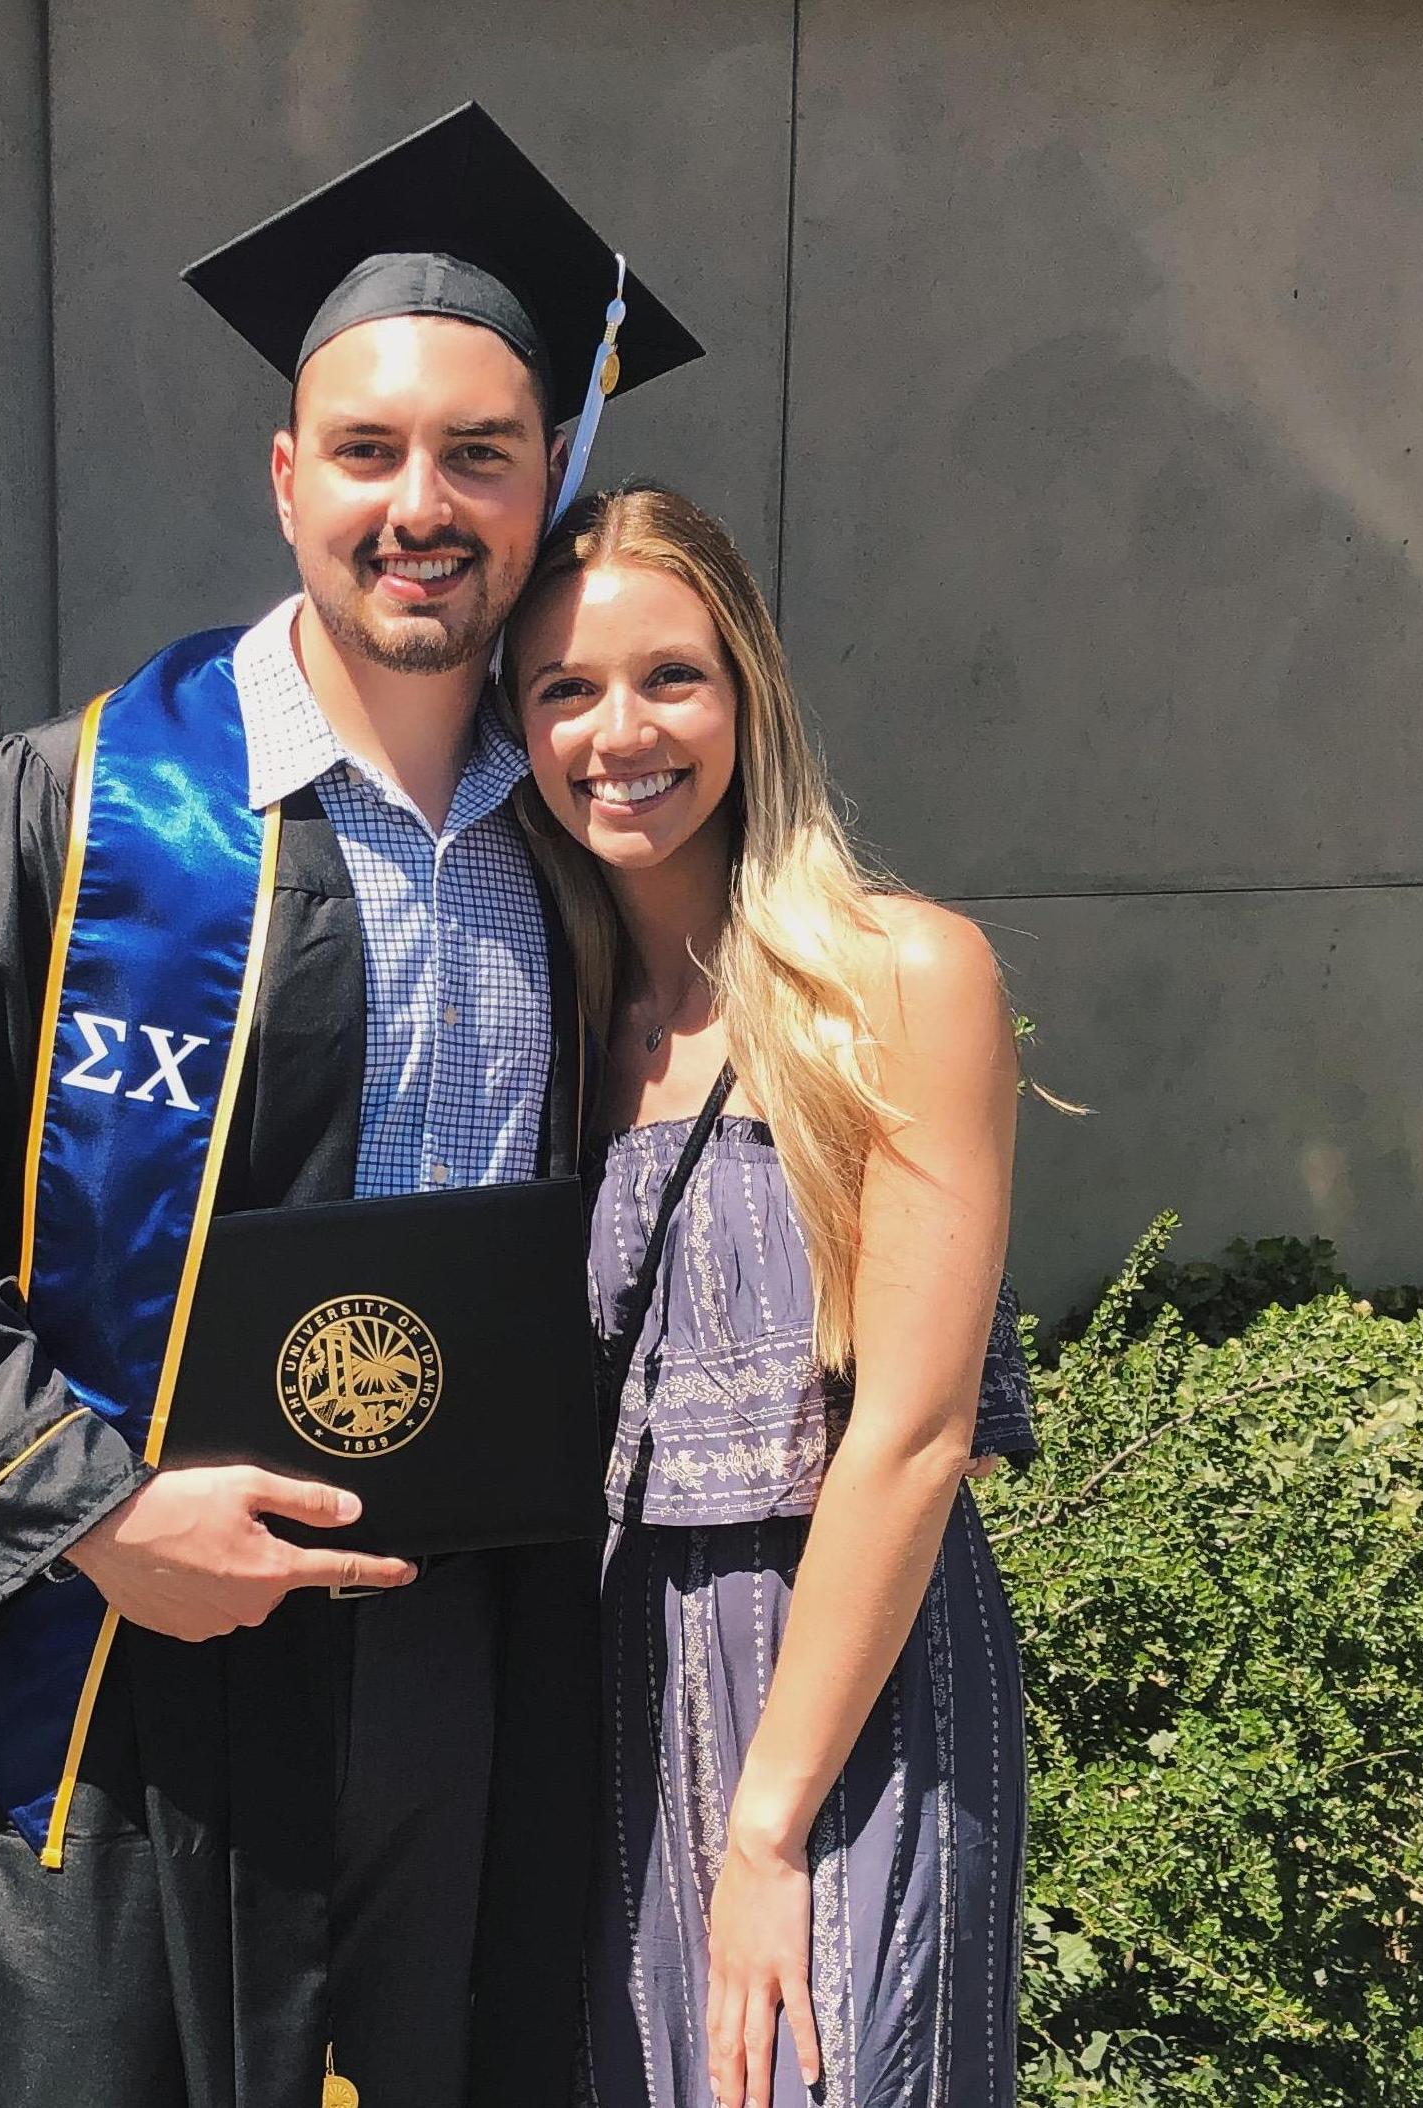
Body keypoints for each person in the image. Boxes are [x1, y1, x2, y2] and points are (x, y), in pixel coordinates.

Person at [0, 109, 697, 2108]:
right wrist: (88, 1513)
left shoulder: (587, 851)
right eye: (366, 451)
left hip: (461, 1656)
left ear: (546, 489)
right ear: (287, 479)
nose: (416, 505)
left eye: (478, 454)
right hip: (111, 1652)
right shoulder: (72, 814)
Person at [503, 485, 1034, 2108]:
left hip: (845, 1693)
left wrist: (765, 1826)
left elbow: (918, 1436)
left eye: (673, 676)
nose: (621, 732)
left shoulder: (899, 978)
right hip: (609, 1699)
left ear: (750, 692)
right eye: (566, 691)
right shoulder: (560, 1019)